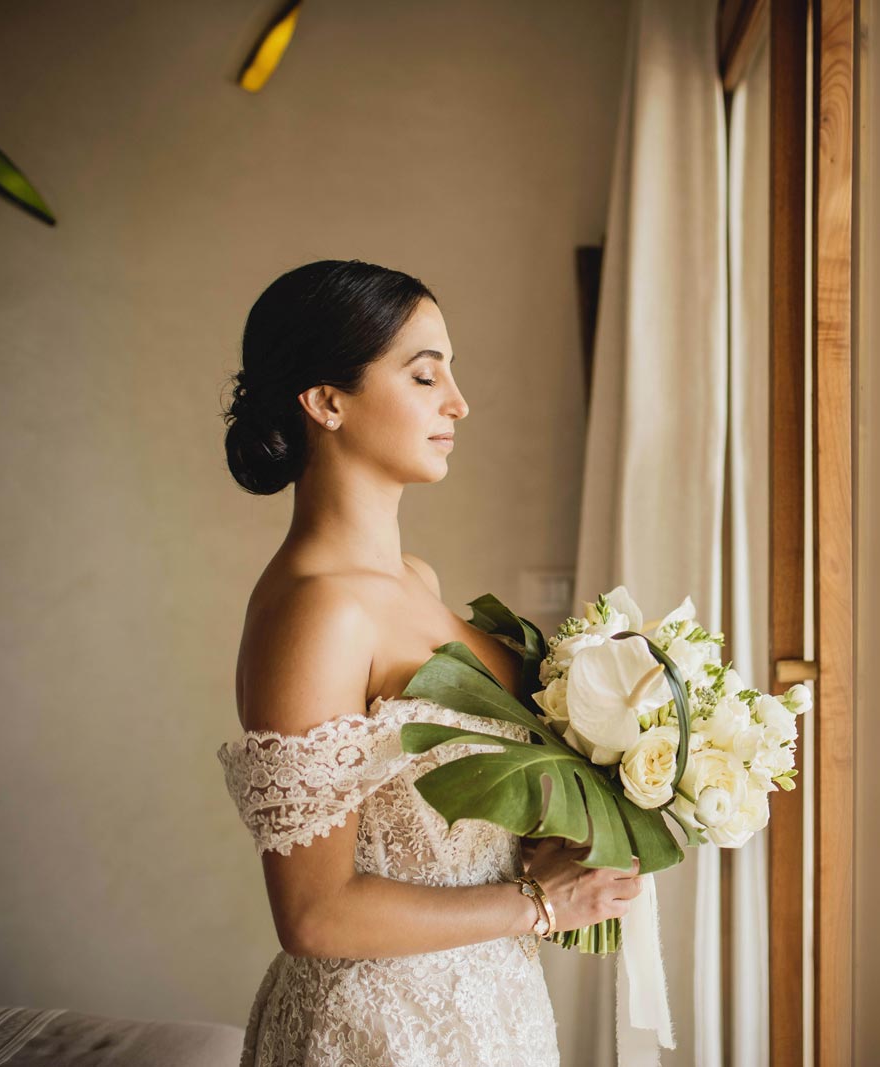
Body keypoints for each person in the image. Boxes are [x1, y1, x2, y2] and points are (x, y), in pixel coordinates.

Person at [216, 259, 640, 1065]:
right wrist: (538, 904)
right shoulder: (319, 612)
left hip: (489, 1004)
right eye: (424, 375)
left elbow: (431, 828)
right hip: (378, 1030)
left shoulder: (416, 581)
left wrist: (559, 844)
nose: (459, 402)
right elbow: (313, 915)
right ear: (326, 400)